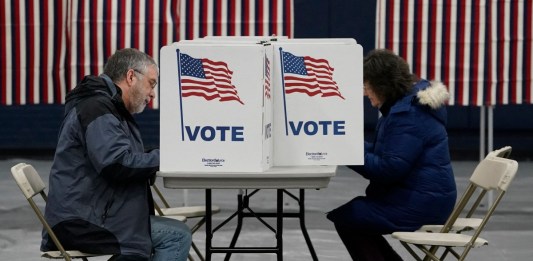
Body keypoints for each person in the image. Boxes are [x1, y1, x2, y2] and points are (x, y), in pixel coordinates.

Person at [42, 48, 192, 260]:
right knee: (176, 235)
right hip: (80, 222)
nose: (153, 93)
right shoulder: (98, 108)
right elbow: (117, 164)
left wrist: (158, 156)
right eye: (152, 83)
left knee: (169, 232)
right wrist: (170, 157)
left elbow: (122, 156)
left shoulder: (105, 106)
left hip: (89, 212)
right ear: (131, 76)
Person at [327, 49, 457, 261]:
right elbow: (386, 154)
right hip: (426, 198)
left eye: (366, 85)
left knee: (351, 218)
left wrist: (345, 150)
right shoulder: (405, 107)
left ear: (381, 85)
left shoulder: (408, 115)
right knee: (353, 216)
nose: (365, 92)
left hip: (422, 204)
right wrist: (347, 144)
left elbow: (388, 169)